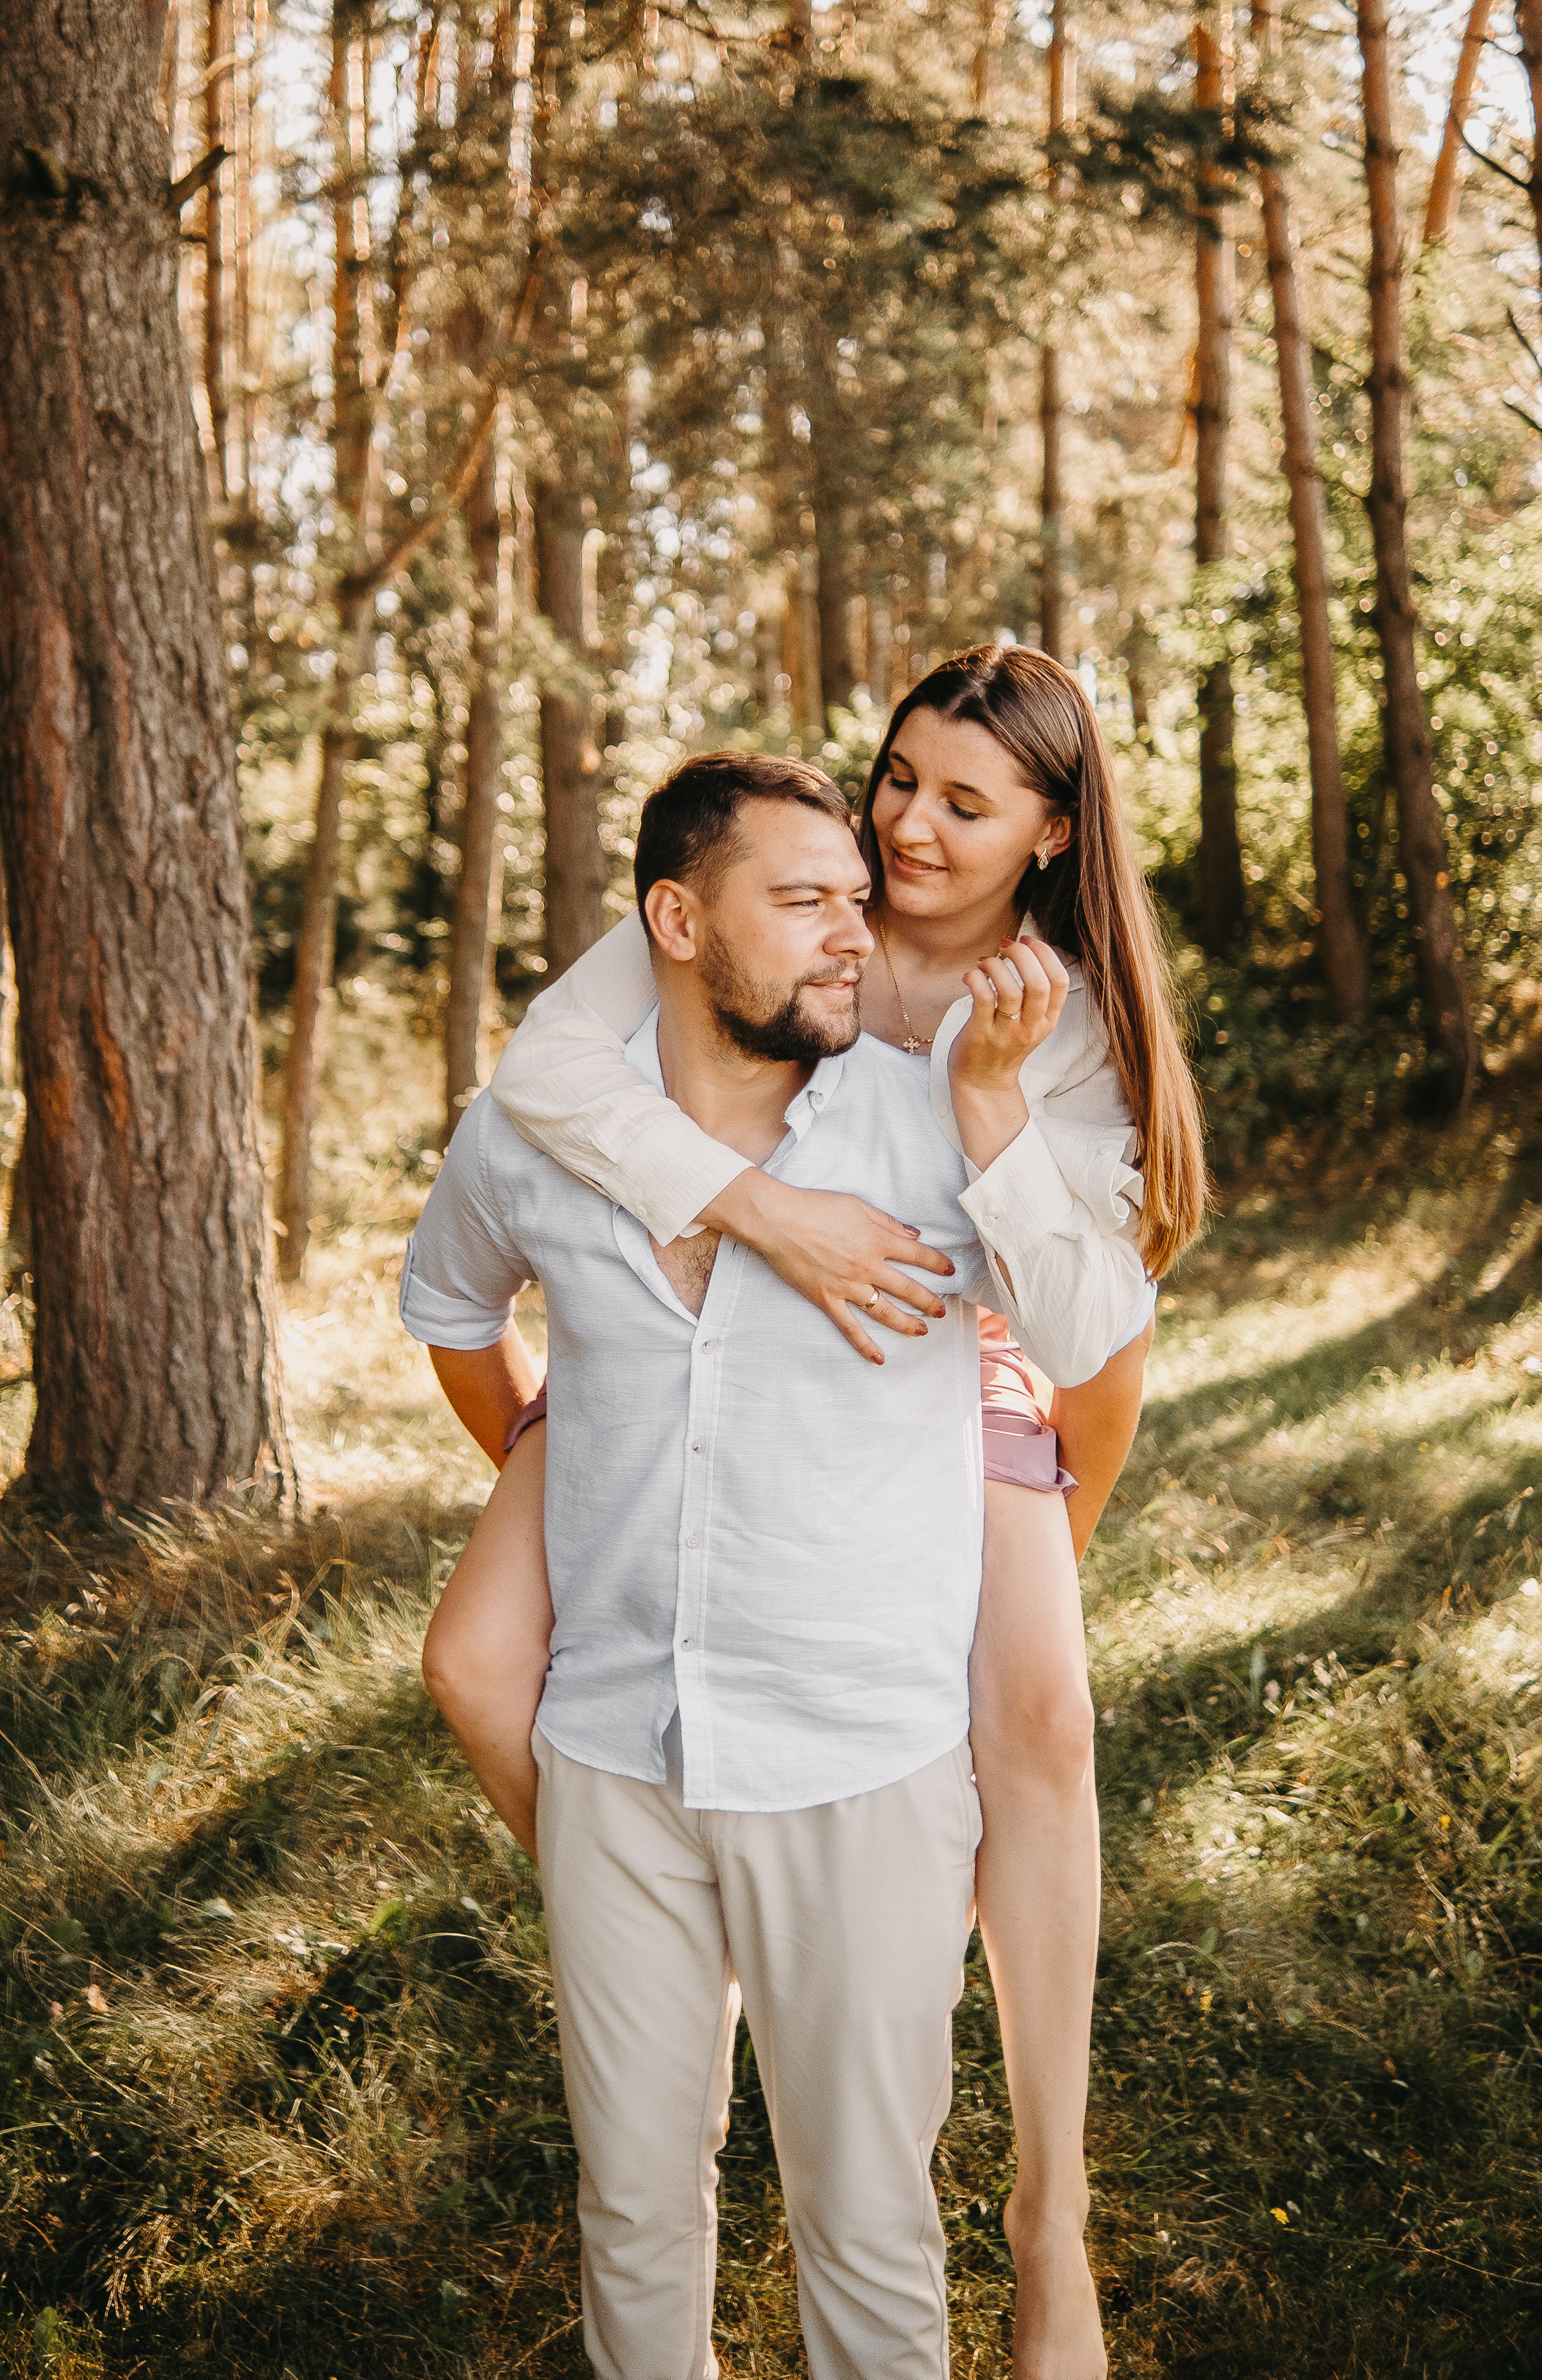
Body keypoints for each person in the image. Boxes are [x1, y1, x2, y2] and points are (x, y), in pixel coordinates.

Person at [426, 646, 1208, 2380]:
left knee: (1037, 1722)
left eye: (962, 802)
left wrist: (1039, 1516)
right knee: (480, 1665)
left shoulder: (1049, 1012)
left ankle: (1048, 2207)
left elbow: (1090, 1335)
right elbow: (548, 1083)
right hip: (697, 1311)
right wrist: (750, 1235)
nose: (908, 828)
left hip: (955, 1346)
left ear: (1049, 836)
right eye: (897, 783)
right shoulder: (734, 904)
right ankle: (678, 1914)